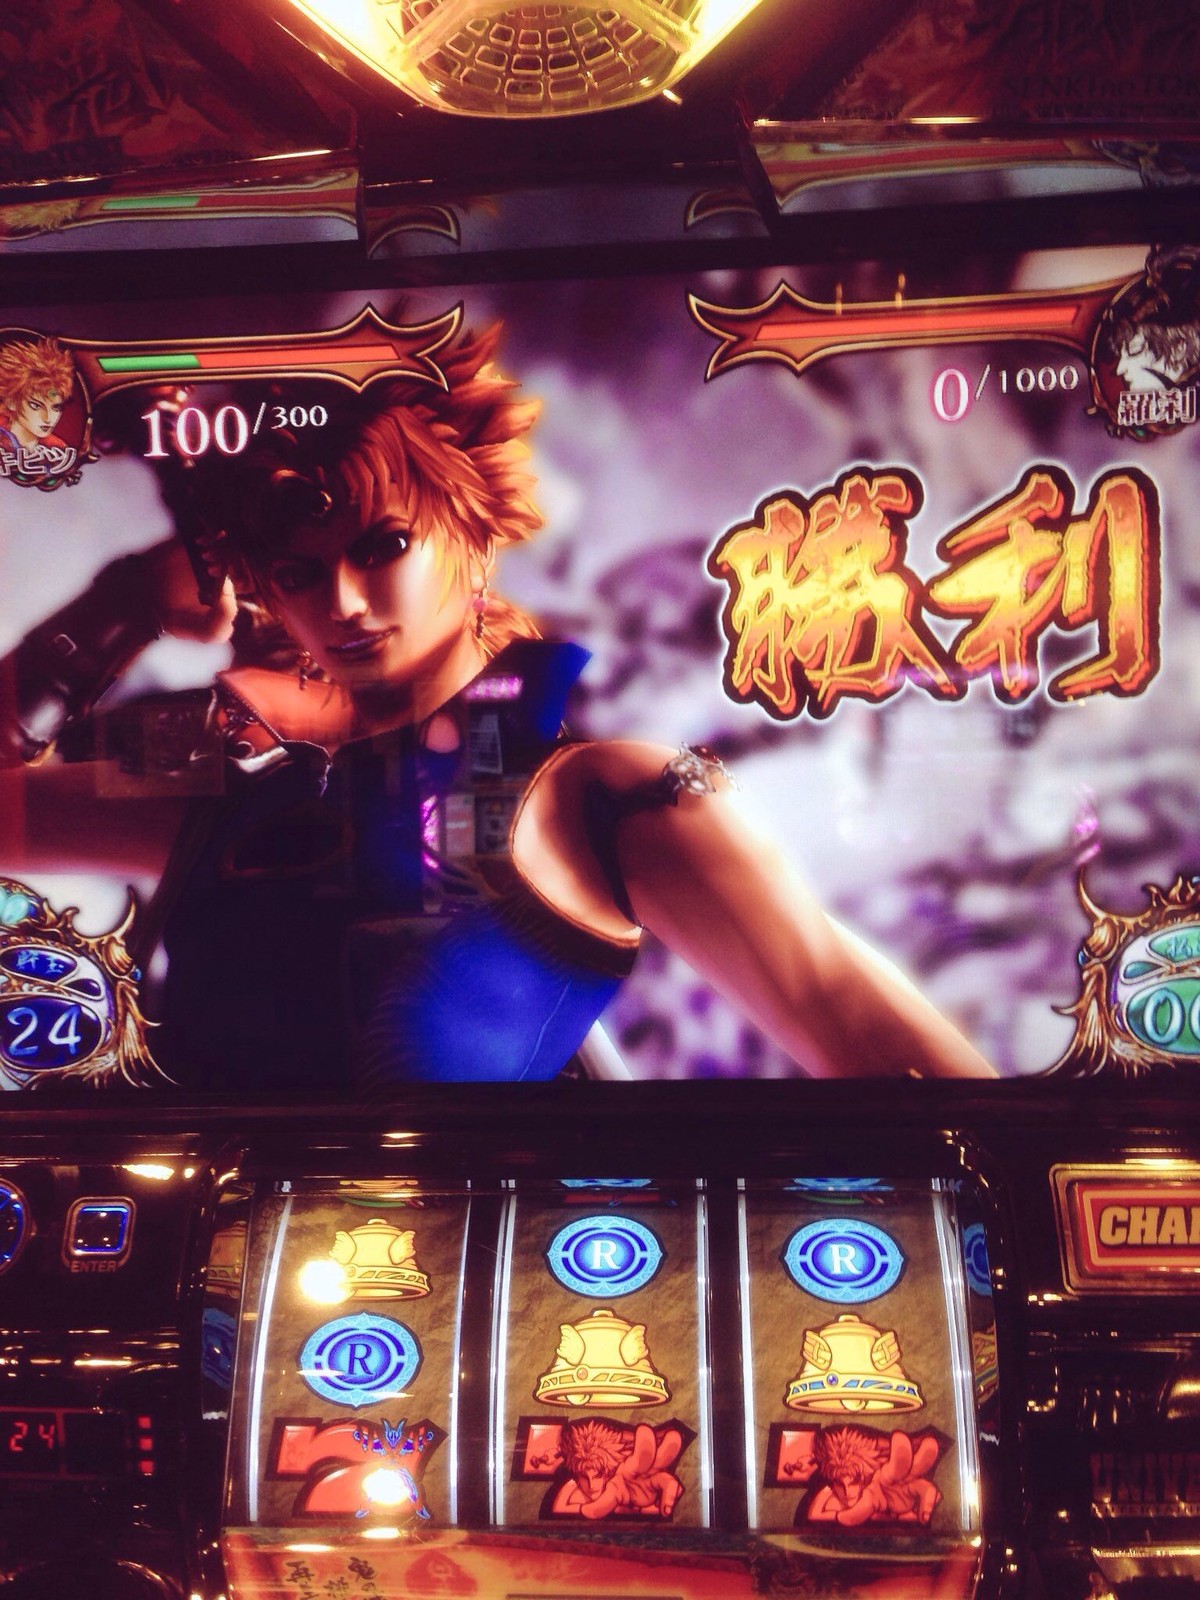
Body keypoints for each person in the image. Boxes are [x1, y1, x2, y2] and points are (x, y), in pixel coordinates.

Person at [0, 325, 994, 1091]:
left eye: (382, 547)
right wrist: (124, 603)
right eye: (298, 573)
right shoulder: (222, 789)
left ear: (470, 534)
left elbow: (851, 1016)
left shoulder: (602, 792)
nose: (342, 603)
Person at [0, 336, 74, 454]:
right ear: (11, 402)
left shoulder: (59, 449)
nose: (48, 418)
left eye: (56, 407)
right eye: (36, 406)